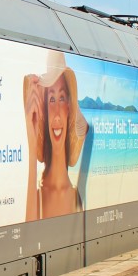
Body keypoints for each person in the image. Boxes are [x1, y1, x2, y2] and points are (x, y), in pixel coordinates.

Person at [24, 50, 86, 220]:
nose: (57, 114)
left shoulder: (76, 197)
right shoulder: (38, 194)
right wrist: (31, 134)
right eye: (51, 100)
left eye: (62, 98)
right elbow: (28, 238)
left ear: (69, 108)